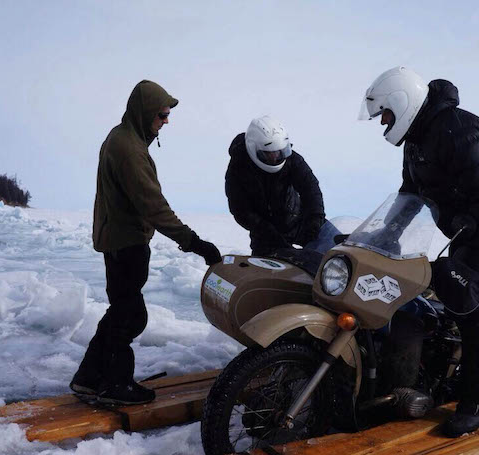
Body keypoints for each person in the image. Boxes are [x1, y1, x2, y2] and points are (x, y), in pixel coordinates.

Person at [360, 66, 479, 436]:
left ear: (403, 103)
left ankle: (475, 406)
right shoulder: (418, 138)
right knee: (460, 298)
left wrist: (478, 264)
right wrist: (386, 236)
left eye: (385, 115)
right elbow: (410, 193)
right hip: (467, 222)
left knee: (477, 305)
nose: (383, 123)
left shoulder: (461, 130)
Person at [70, 80, 222, 405]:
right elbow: (153, 205)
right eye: (162, 114)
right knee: (129, 315)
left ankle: (90, 378)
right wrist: (194, 242)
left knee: (121, 310)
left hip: (118, 237)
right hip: (125, 242)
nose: (166, 121)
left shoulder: (125, 137)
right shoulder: (129, 150)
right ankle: (116, 384)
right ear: (146, 113)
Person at [225, 115, 333, 256]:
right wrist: (267, 232)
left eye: (281, 151)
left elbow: (310, 188)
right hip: (265, 233)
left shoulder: (292, 159)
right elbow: (240, 210)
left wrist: (314, 218)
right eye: (270, 154)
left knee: (341, 252)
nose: (277, 157)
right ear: (253, 148)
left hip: (298, 220)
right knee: (270, 274)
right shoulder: (238, 168)